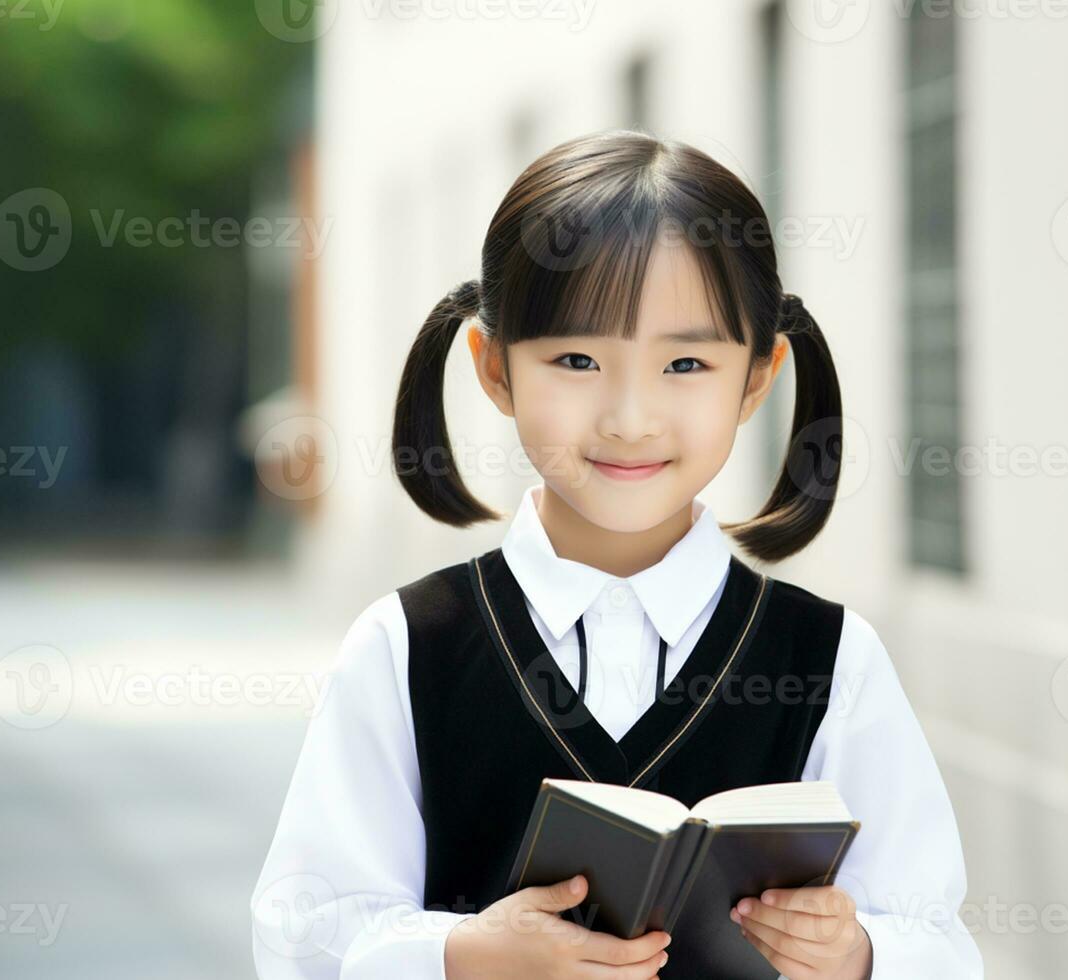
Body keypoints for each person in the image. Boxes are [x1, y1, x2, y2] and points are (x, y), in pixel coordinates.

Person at [250, 130, 982, 980]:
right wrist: (464, 956)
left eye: (684, 362)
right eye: (577, 359)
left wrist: (858, 954)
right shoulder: (408, 646)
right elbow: (302, 935)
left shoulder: (829, 659)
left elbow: (937, 939)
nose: (631, 416)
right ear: (493, 368)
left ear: (757, 377)